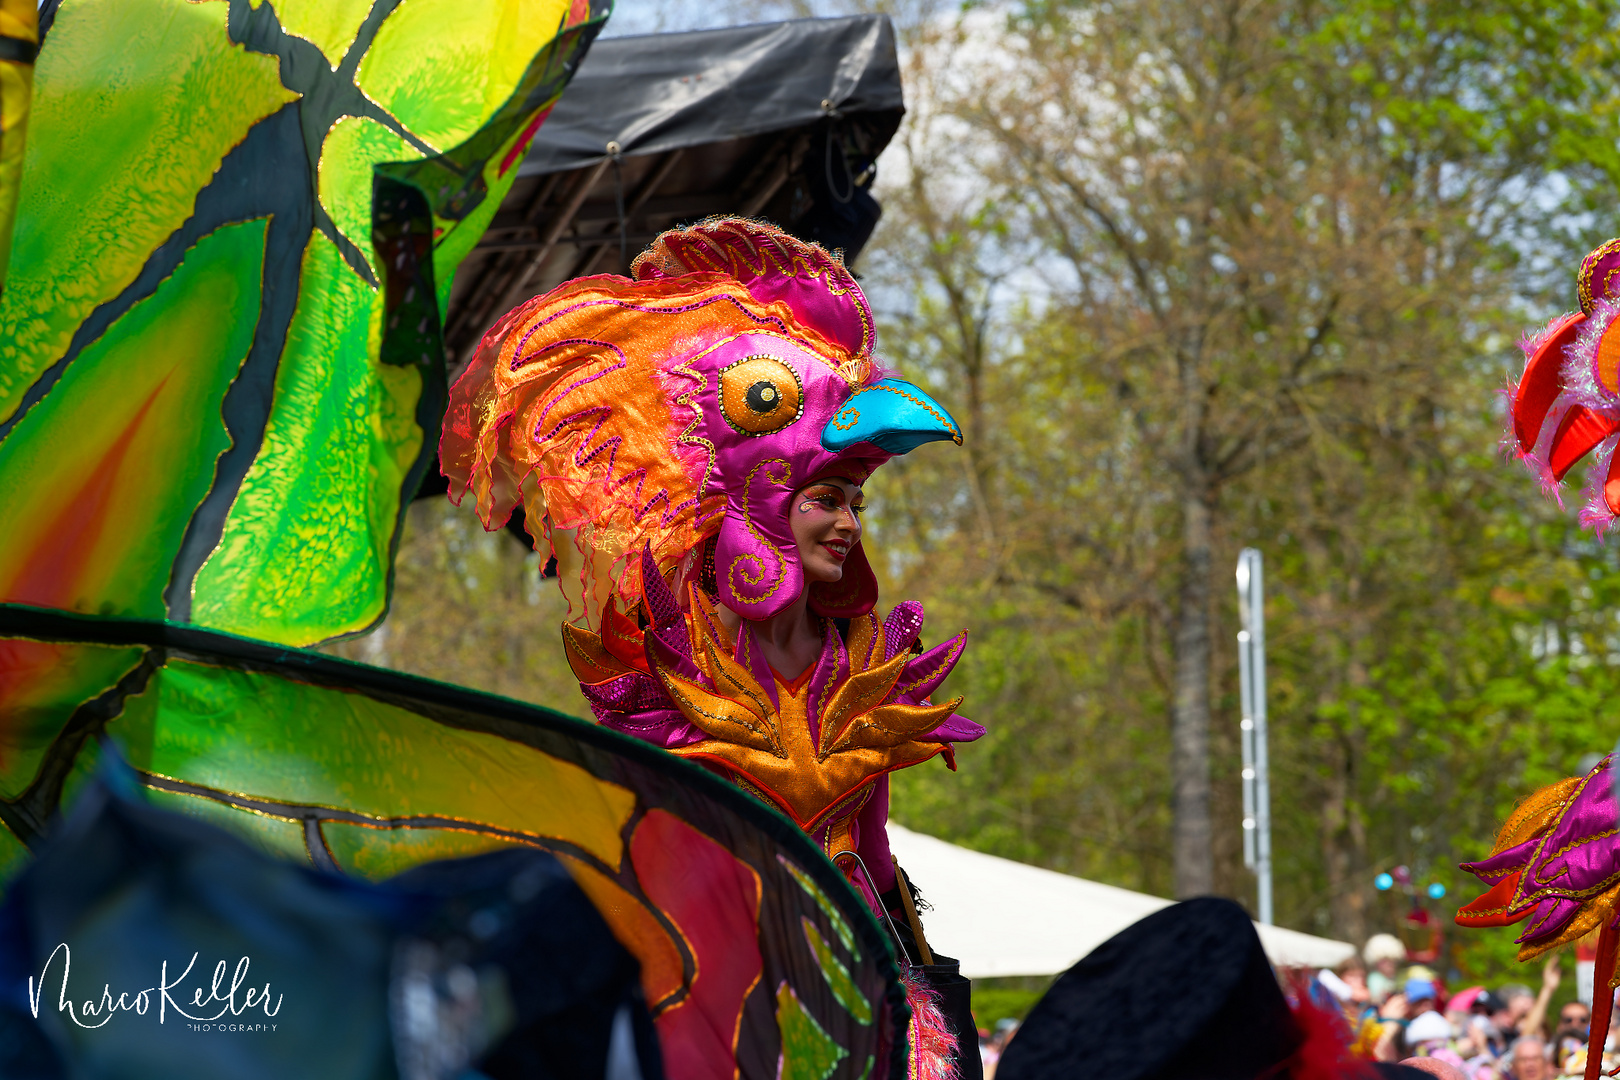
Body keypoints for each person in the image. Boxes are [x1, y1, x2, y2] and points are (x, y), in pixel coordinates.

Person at [442, 216, 983, 1076]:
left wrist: (920, 1007)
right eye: (825, 500)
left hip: (853, 996)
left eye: (854, 503)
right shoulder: (665, 667)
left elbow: (873, 850)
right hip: (712, 998)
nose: (846, 523)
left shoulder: (855, 666)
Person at [1367, 933, 1408, 1004]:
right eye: (1384, 961)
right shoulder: (1375, 978)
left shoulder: (1399, 977)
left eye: (1393, 960)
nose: (1389, 964)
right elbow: (1377, 1000)